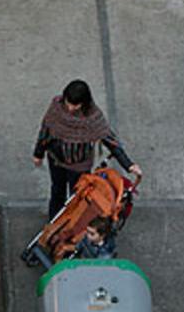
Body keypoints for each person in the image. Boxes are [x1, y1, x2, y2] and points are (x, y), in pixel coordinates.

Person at [32, 79, 143, 220]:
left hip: (79, 167)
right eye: (69, 103)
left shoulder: (92, 118)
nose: (71, 108)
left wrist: (128, 164)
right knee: (57, 192)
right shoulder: (56, 107)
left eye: (75, 105)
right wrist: (38, 153)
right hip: (56, 161)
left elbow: (110, 140)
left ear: (84, 102)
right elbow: (45, 130)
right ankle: (54, 222)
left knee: (78, 197)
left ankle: (72, 225)